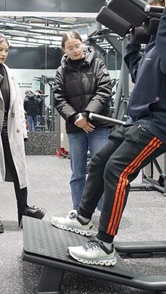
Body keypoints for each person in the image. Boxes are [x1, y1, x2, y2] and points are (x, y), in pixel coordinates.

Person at [51, 0, 166, 266]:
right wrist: (131, 42)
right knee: (100, 162)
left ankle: (105, 245)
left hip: (160, 125)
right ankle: (83, 218)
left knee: (118, 170)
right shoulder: (155, 46)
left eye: (154, 15)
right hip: (138, 122)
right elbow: (139, 73)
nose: (148, 22)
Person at [0, 33, 46, 233]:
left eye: (6, 50)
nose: (4, 54)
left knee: (19, 171)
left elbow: (18, 103)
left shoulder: (9, 72)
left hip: (11, 130)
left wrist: (23, 130)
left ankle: (24, 210)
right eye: (0, 50)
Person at [53, 31, 112, 213]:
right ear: (64, 50)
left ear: (83, 43)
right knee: (77, 173)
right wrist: (75, 118)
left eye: (77, 46)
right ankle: (78, 212)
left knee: (100, 169)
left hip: (98, 126)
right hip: (75, 127)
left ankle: (104, 212)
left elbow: (104, 91)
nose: (75, 50)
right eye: (70, 48)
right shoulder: (61, 71)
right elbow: (59, 99)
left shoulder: (97, 64)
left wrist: (86, 114)